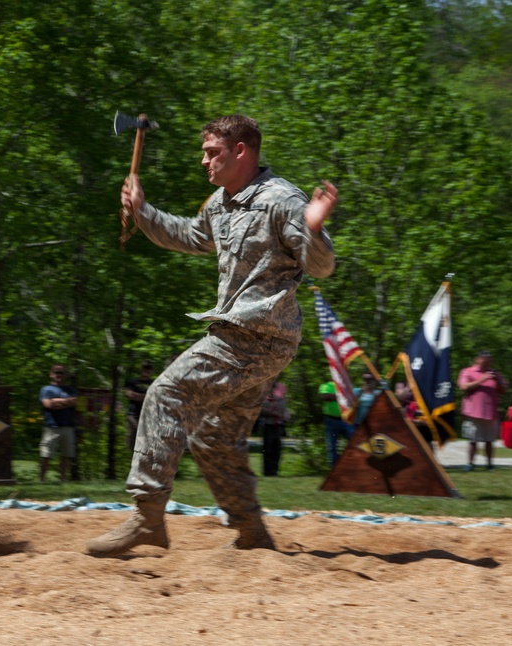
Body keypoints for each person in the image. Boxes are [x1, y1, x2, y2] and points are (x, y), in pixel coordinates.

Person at [86, 114, 337, 556]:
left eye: (212, 152)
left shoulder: (282, 200)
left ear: (241, 151)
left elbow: (321, 268)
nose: (204, 161)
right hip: (255, 340)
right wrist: (143, 212)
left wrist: (314, 229)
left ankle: (147, 518)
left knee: (165, 394)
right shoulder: (221, 202)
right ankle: (253, 534)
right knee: (214, 437)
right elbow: (189, 235)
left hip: (254, 334)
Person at [458, 351, 508, 471]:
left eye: (489, 360)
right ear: (477, 359)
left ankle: (490, 464)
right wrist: (481, 380)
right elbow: (463, 386)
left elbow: (504, 390)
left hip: (490, 413)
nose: (487, 362)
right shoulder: (468, 371)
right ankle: (470, 463)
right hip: (473, 412)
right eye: (484, 359)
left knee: (489, 441)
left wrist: (498, 381)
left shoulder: (495, 374)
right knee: (473, 440)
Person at [39, 364, 77, 483]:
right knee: (46, 454)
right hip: (52, 426)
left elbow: (75, 402)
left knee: (66, 454)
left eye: (61, 373)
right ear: (51, 374)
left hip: (68, 425)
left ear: (64, 375)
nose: (58, 375)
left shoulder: (70, 389)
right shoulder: (46, 389)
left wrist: (56, 402)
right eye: (56, 372)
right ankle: (42, 479)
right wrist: (66, 402)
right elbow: (48, 405)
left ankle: (63, 479)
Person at [257, 381, 289, 477]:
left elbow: (284, 410)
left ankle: (275, 471)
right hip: (268, 425)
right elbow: (261, 410)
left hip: (278, 425)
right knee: (268, 449)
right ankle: (267, 472)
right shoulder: (265, 398)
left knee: (277, 449)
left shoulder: (281, 399)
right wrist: (273, 413)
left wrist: (286, 415)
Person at [319, 380, 354, 466]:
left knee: (355, 442)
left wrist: (335, 396)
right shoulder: (325, 385)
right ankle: (335, 468)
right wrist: (341, 395)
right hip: (331, 421)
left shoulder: (345, 384)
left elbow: (353, 397)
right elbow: (324, 396)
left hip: (346, 420)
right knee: (332, 447)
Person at [123, 361, 155, 452]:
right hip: (133, 414)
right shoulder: (133, 382)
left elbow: (155, 397)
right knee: (135, 430)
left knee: (148, 436)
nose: (146, 370)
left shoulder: (154, 383)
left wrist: (137, 396)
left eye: (149, 368)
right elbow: (129, 394)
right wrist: (146, 396)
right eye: (145, 368)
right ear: (141, 369)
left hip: (148, 414)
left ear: (152, 371)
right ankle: (133, 453)